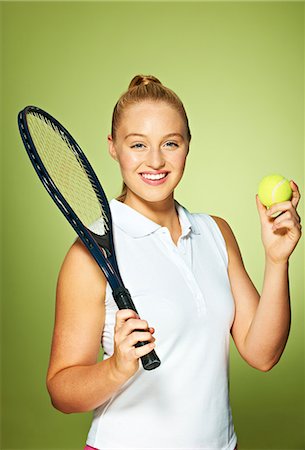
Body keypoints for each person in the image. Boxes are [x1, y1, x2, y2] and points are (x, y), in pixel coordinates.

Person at [46, 74, 302, 450]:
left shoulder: (215, 232)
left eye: (170, 143)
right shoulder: (89, 255)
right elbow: (62, 392)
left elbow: (262, 354)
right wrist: (116, 368)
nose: (155, 161)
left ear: (187, 146)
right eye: (137, 144)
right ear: (113, 147)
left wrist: (277, 260)